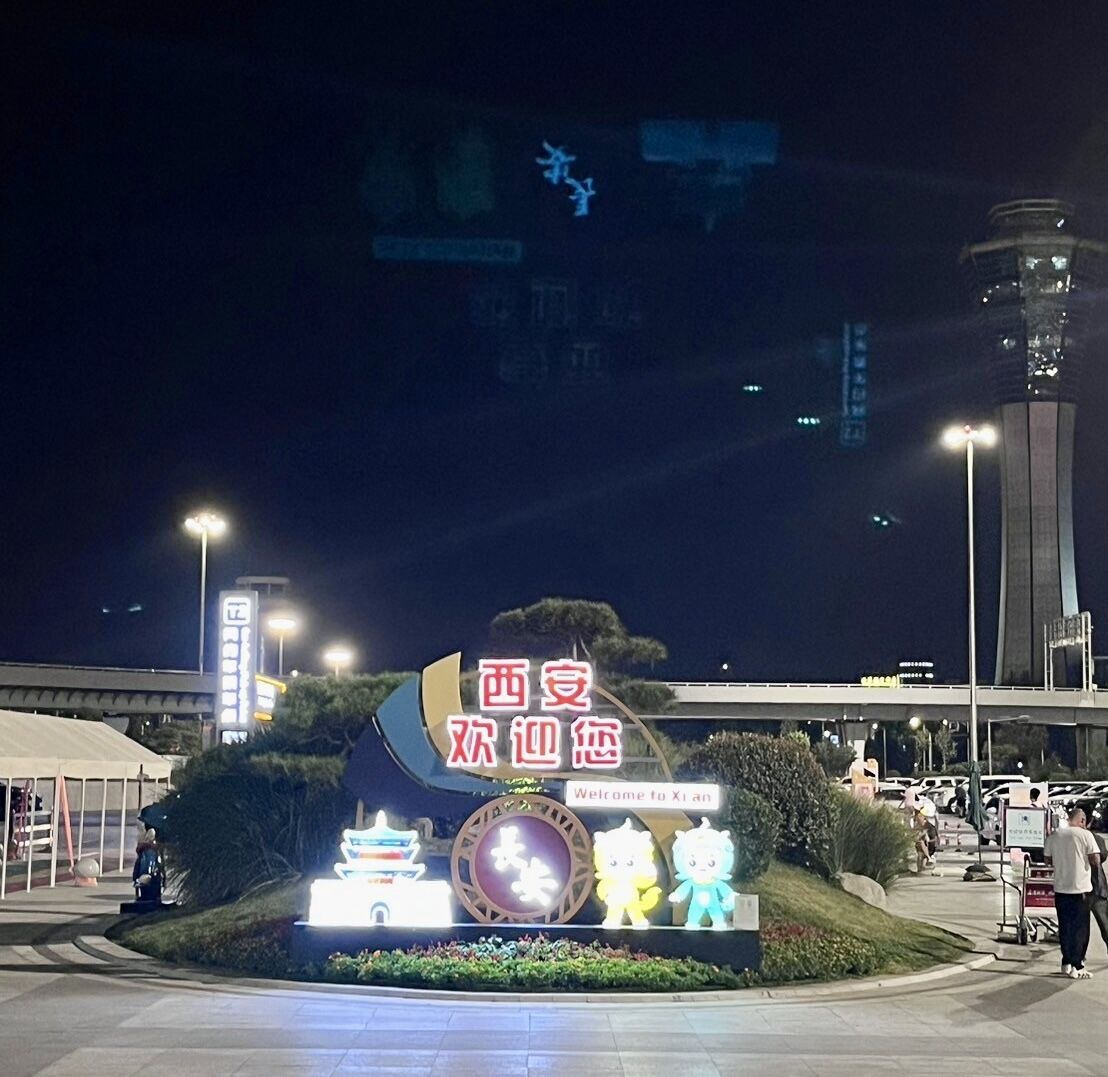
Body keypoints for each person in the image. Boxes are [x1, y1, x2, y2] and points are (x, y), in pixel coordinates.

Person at [1045, 807, 1101, 978]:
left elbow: (1047, 859)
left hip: (1061, 888)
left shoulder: (1054, 835)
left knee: (1065, 927)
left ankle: (1066, 962)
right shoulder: (1086, 835)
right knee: (1080, 929)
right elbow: (1095, 860)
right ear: (1082, 820)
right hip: (1080, 888)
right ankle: (1078, 965)